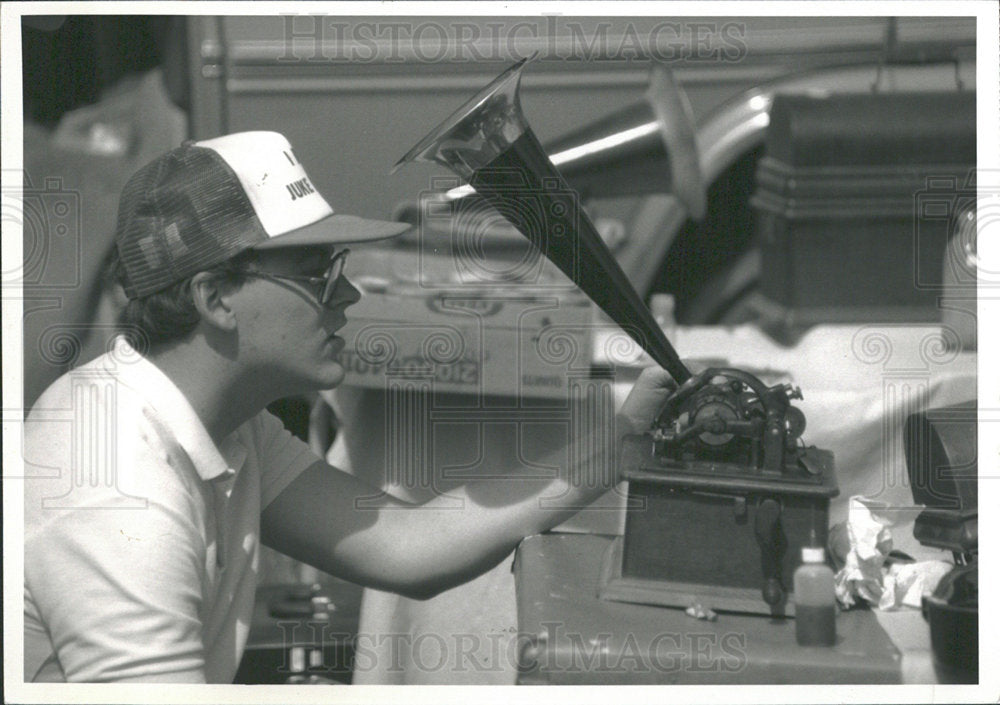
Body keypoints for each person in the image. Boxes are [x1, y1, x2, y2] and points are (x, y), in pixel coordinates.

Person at [22, 130, 676, 683]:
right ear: (215, 296)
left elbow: (405, 546)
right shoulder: (118, 493)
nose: (350, 296)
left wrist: (616, 445)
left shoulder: (219, 418)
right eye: (317, 272)